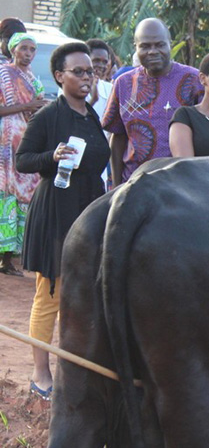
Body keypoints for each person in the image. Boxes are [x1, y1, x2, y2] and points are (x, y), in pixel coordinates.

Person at [15, 41, 110, 400]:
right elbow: (22, 160)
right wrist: (51, 156)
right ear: (59, 76)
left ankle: (75, 371)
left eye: (92, 71)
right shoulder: (48, 116)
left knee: (83, 293)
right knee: (50, 293)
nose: (88, 78)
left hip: (88, 210)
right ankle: (40, 373)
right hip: (55, 211)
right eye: (79, 71)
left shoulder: (92, 116)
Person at [102, 18, 203, 187]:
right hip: (135, 184)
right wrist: (116, 184)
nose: (153, 51)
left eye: (160, 45)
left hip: (181, 185)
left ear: (170, 44)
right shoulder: (123, 84)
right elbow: (117, 137)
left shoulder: (193, 80)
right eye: (145, 46)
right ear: (136, 47)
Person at [0, 33, 48, 275]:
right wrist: (27, 106)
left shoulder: (32, 78)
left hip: (25, 142)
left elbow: (37, 105)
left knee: (21, 197)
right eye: (24, 48)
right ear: (12, 50)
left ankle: (8, 257)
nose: (28, 53)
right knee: (5, 194)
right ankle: (5, 260)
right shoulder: (4, 74)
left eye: (32, 49)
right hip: (5, 143)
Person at [84, 39, 115, 119]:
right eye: (96, 60)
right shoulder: (70, 87)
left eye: (105, 62)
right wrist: (93, 100)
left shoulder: (110, 89)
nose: (101, 65)